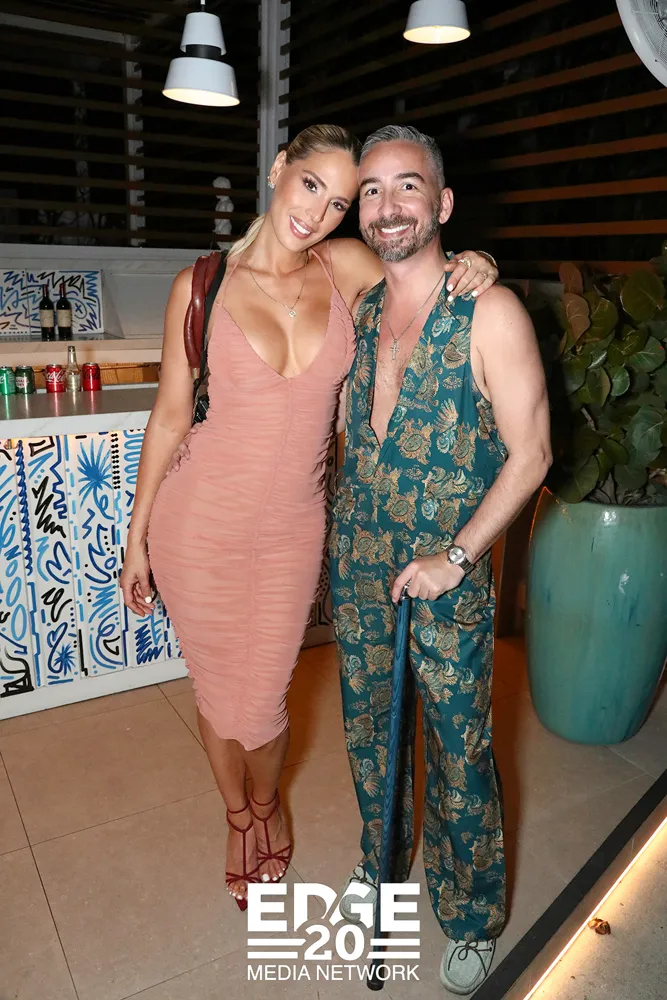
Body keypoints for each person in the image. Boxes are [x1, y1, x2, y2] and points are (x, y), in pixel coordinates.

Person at [120, 123, 498, 913]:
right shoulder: (202, 285)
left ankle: (266, 803)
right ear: (277, 170)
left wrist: (476, 263)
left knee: (262, 703)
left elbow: (419, 274)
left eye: (337, 202)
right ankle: (240, 819)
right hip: (197, 524)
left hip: (292, 531)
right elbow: (170, 416)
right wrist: (136, 537)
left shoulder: (345, 267)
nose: (319, 213)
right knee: (218, 692)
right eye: (310, 186)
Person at [330, 125, 551, 996]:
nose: (388, 206)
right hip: (358, 561)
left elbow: (531, 454)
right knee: (367, 731)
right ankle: (380, 862)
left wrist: (458, 557)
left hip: (445, 570)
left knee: (459, 748)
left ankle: (469, 914)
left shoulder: (488, 312)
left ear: (443, 203)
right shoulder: (361, 311)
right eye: (372, 190)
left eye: (407, 186)